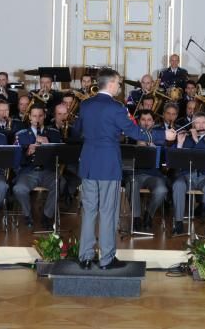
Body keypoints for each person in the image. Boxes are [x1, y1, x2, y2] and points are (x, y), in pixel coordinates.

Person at [75, 67, 172, 270]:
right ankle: (106, 259)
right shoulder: (116, 108)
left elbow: (78, 132)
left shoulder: (85, 105)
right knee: (108, 211)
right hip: (108, 164)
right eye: (118, 83)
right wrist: (164, 136)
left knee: (89, 211)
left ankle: (85, 257)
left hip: (88, 163)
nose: (119, 86)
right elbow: (136, 133)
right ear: (110, 84)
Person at [12, 105, 62, 229]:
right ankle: (27, 215)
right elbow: (15, 160)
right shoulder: (21, 135)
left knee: (59, 183)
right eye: (34, 116)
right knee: (19, 189)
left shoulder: (54, 133)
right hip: (29, 172)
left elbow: (61, 156)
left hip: (48, 171)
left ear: (44, 116)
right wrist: (28, 151)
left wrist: (49, 144)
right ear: (29, 117)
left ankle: (47, 215)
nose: (37, 119)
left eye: (40, 116)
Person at [170, 111, 205, 236]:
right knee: (177, 185)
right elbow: (173, 161)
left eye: (204, 123)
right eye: (197, 123)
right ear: (192, 125)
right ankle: (179, 223)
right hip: (186, 176)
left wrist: (196, 140)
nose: (201, 126)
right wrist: (179, 144)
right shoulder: (185, 138)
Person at [129, 109, 169, 232]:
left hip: (154, 175)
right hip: (136, 173)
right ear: (138, 121)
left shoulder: (160, 137)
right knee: (133, 183)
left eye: (149, 120)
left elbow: (166, 161)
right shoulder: (131, 136)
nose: (146, 123)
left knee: (162, 190)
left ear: (153, 122)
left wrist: (155, 150)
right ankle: (136, 218)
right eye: (143, 120)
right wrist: (137, 145)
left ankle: (148, 215)